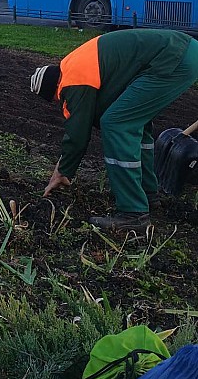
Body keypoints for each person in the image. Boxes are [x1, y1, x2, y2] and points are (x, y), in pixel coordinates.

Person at [31, 29, 198, 234]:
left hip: (172, 58)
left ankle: (133, 213)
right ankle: (147, 193)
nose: (62, 101)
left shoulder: (72, 80)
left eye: (58, 99)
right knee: (135, 122)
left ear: (54, 89)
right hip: (182, 51)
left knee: (117, 124)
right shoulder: (75, 64)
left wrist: (62, 171)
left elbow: (78, 133)